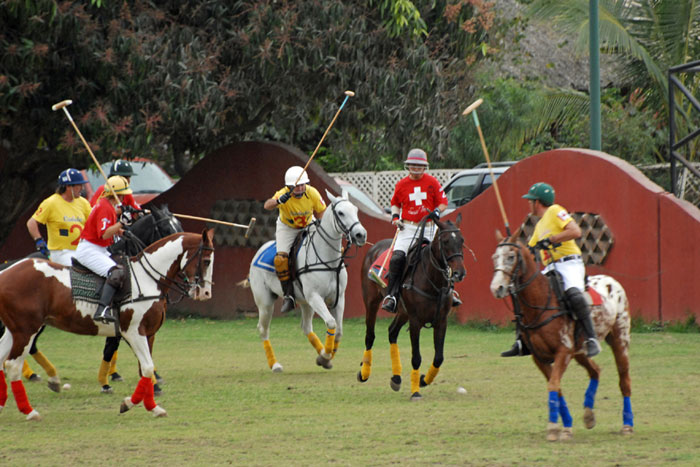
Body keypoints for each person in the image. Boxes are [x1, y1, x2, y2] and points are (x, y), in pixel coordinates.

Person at [501, 182, 601, 358]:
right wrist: (512, 245)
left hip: (569, 263)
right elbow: (529, 251)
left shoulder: (555, 211)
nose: (528, 204)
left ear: (537, 202)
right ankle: (521, 341)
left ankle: (591, 339)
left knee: (573, 294)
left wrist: (552, 239)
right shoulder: (539, 226)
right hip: (551, 267)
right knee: (522, 291)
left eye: (530, 201)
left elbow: (575, 231)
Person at [22, 168, 91, 382]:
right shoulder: (51, 202)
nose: (82, 188)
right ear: (68, 187)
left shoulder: (83, 204)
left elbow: (92, 224)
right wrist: (39, 241)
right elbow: (32, 223)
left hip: (81, 250)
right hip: (61, 253)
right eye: (78, 185)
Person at [380, 148, 460, 313]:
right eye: (413, 166)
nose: (416, 170)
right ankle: (392, 296)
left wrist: (438, 211)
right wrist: (395, 217)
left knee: (444, 256)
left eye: (419, 167)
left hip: (430, 228)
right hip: (408, 227)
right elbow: (395, 203)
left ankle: (451, 291)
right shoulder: (401, 184)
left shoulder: (432, 182)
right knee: (397, 258)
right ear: (408, 166)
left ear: (425, 167)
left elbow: (443, 202)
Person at [263, 166, 326, 313]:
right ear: (289, 186)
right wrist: (278, 201)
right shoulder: (283, 193)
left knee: (327, 245)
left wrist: (320, 223)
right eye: (296, 186)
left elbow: (322, 210)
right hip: (287, 227)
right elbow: (267, 205)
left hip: (309, 223)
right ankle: (288, 295)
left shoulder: (312, 193)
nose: (299, 188)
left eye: (302, 185)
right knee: (280, 260)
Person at [75, 175, 131, 324]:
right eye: (122, 195)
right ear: (116, 194)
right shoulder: (104, 207)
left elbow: (109, 231)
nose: (124, 198)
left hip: (99, 248)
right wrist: (121, 223)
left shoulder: (108, 206)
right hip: (90, 249)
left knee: (122, 266)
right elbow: (104, 233)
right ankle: (102, 309)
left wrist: (123, 230)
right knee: (116, 272)